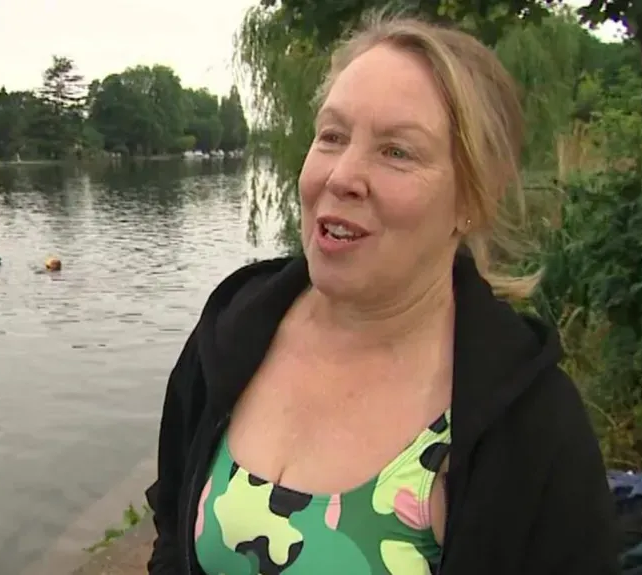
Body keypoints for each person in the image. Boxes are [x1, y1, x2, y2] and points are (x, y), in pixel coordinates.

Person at [146, 12, 617, 575]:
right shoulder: (232, 332)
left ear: (472, 199)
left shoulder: (529, 425)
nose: (342, 175)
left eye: (397, 151)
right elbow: (172, 532)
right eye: (333, 135)